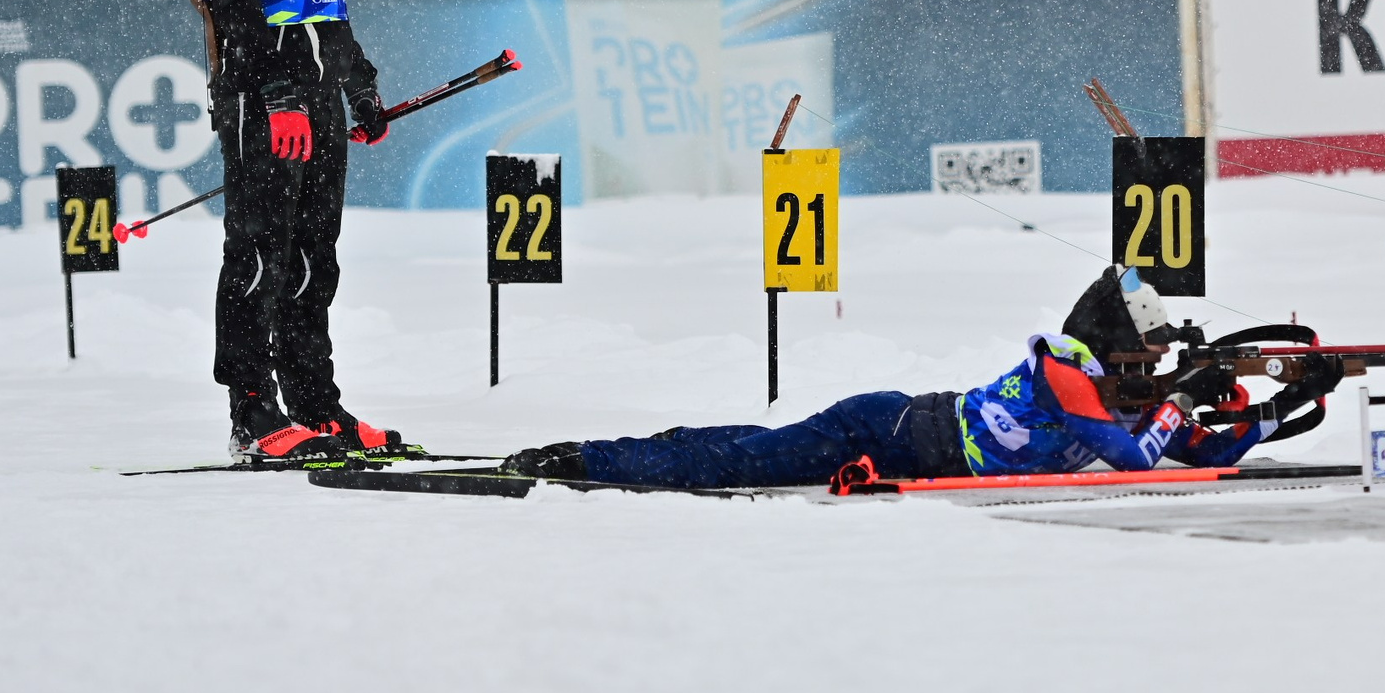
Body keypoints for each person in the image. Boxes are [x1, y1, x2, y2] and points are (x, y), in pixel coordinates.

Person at [502, 268, 1340, 488]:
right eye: (1147, 356)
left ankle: (637, 449)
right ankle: (584, 459)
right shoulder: (1067, 377)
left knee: (745, 449)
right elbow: (1134, 459)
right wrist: (1186, 399)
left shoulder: (1112, 391)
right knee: (732, 464)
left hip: (903, 429)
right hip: (885, 431)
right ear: (1112, 344)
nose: (1154, 368)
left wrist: (1281, 410)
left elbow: (1195, 449)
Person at [199, 0, 401, 463]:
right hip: (265, 100)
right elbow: (236, 8)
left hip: (314, 99)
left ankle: (316, 403)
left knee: (316, 260)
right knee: (259, 256)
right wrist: (278, 95)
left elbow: (327, 7)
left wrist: (360, 88)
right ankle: (252, 411)